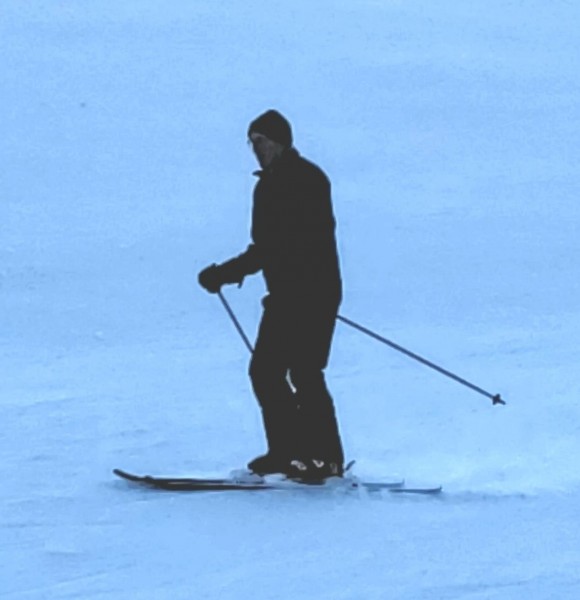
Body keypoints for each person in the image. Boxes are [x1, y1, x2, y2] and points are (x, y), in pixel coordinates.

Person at [198, 109, 344, 480]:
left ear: (279, 141)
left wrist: (225, 273)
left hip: (313, 293)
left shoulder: (307, 179)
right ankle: (289, 453)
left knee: (304, 373)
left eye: (260, 141)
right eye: (251, 143)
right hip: (286, 295)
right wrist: (228, 273)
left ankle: (325, 459)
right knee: (266, 371)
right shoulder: (268, 185)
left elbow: (281, 245)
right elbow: (266, 246)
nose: (255, 149)